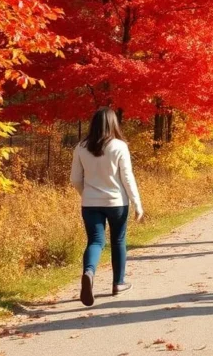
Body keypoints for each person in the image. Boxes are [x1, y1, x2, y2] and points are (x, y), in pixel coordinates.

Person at [70, 107, 145, 307]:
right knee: (118, 241)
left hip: (90, 203)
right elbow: (127, 178)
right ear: (113, 123)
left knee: (95, 241)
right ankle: (118, 284)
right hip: (116, 202)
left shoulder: (81, 147)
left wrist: (86, 194)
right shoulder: (119, 146)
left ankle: (89, 272)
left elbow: (75, 179)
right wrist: (137, 204)